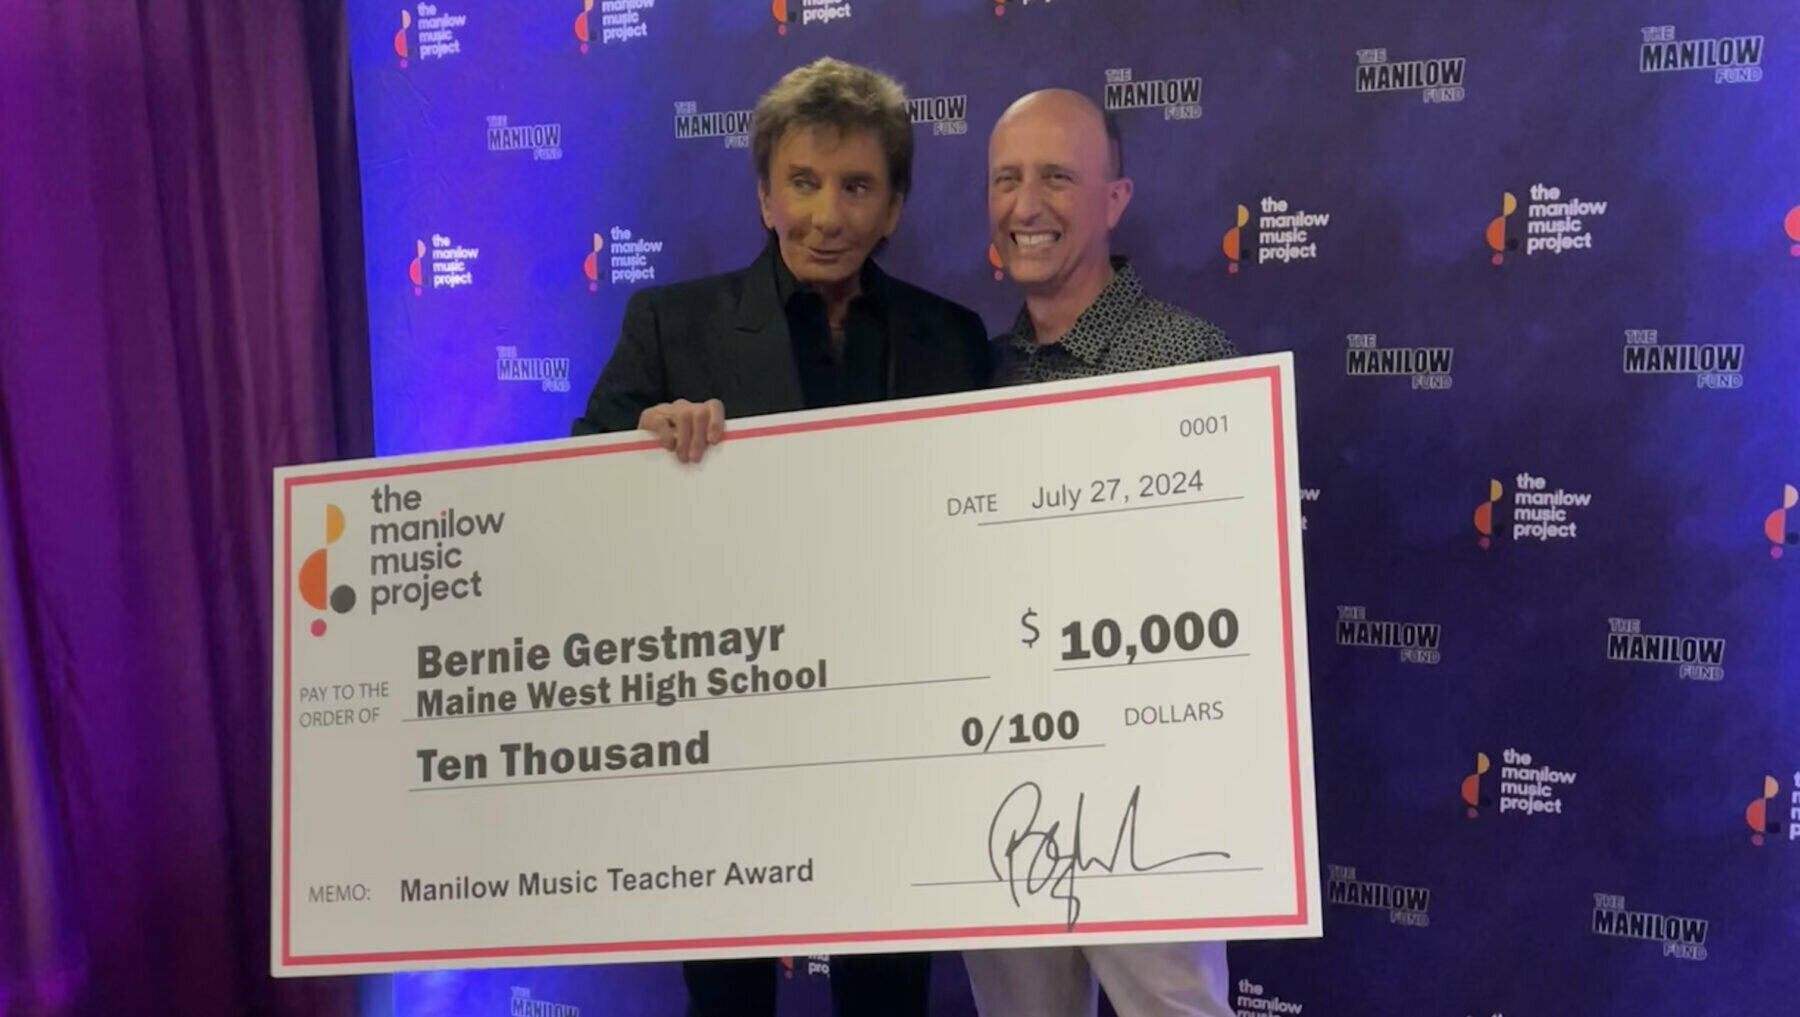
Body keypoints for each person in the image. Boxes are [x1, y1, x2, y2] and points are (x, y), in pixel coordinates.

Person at [570, 57, 990, 1017]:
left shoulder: (953, 338)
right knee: (726, 1002)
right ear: (765, 196)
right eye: (803, 182)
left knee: (889, 1002)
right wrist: (637, 448)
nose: (827, 215)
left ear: (894, 207)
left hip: (893, 736)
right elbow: (577, 492)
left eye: (857, 187)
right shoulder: (671, 324)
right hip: (723, 736)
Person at [961, 89, 1237, 1017]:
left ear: (1115, 199)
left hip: (1149, 786)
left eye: (1057, 177)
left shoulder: (1191, 363)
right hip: (999, 779)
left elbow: (1237, 585)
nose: (1026, 204)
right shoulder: (970, 376)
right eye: (1006, 179)